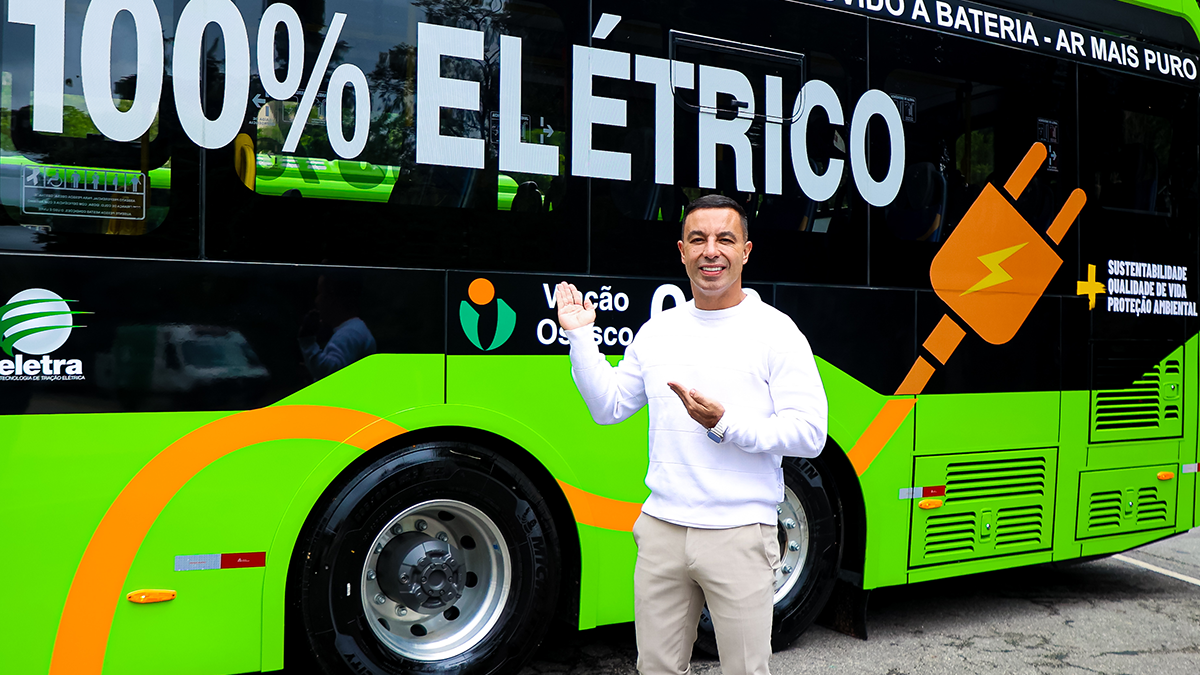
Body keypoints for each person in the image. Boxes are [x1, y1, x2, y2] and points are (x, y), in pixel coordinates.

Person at [555, 194, 827, 675]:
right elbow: (608, 407)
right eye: (698, 239)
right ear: (682, 252)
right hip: (662, 530)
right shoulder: (658, 330)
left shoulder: (777, 332)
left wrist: (726, 423)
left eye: (725, 239)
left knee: (745, 670)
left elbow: (810, 434)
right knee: (656, 669)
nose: (711, 251)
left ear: (746, 251)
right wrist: (580, 337)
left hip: (740, 533)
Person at [298, 272, 377, 380]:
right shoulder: (354, 329)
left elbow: (331, 373)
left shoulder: (349, 333)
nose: (316, 300)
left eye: (320, 293)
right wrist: (313, 369)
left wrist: (307, 341)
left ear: (333, 298)